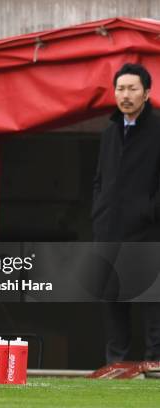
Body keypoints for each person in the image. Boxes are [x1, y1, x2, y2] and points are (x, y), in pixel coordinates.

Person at [92, 63, 160, 363]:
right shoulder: (109, 133)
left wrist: (148, 211)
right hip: (110, 233)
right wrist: (99, 214)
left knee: (152, 303)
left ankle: (155, 364)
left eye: (133, 89)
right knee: (112, 302)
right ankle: (115, 365)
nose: (125, 95)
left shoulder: (158, 131)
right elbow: (99, 181)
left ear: (147, 93)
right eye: (120, 88)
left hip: (148, 232)